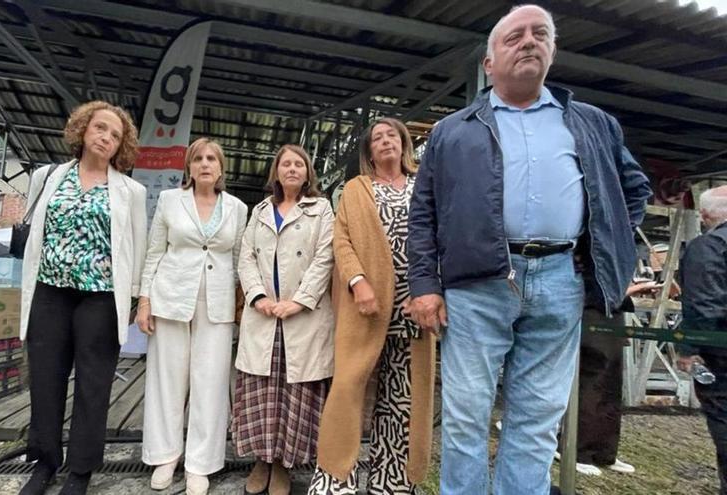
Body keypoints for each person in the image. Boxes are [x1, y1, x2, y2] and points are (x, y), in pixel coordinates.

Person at [407, 5, 652, 494]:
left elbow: (633, 190)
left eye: (540, 34)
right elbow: (424, 214)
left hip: (562, 278)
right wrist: (424, 287)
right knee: (465, 414)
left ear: (553, 51)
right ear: (489, 63)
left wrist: (608, 256)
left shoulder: (593, 123)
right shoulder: (452, 131)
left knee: (537, 416)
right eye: (514, 36)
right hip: (477, 285)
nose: (529, 41)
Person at [18, 101, 147, 495]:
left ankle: (81, 470)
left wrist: (135, 298)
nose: (106, 138)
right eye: (100, 128)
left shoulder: (131, 191)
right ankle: (44, 462)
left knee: (94, 383)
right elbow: (33, 231)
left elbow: (138, 248)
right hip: (50, 291)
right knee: (46, 378)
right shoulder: (47, 177)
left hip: (101, 297)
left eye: (115, 135)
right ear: (83, 129)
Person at [309, 118, 436, 494]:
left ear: (403, 144)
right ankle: (334, 482)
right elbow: (342, 239)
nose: (385, 142)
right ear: (368, 151)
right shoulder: (356, 188)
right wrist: (357, 281)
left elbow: (438, 238)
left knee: (403, 400)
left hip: (414, 310)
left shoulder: (424, 188)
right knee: (348, 391)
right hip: (367, 306)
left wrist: (430, 289)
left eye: (391, 136)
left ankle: (392, 483)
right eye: (377, 138)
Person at [138, 138, 248, 495]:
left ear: (221, 168)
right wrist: (144, 300)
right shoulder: (171, 201)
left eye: (211, 158)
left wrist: (239, 301)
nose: (205, 163)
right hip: (170, 295)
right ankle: (165, 455)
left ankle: (200, 462)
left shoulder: (236, 208)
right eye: (198, 158)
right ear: (189, 167)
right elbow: (154, 252)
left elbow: (240, 258)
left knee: (211, 380)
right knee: (167, 377)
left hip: (216, 303)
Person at [232, 144, 335, 495]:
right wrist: (258, 296)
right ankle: (262, 460)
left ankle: (284, 465)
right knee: (261, 391)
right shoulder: (260, 210)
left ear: (308, 172)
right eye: (285, 164)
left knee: (294, 392)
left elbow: (326, 258)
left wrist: (300, 301)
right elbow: (245, 257)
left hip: (301, 317)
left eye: (298, 164)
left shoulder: (321, 209)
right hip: (263, 316)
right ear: (275, 172)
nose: (291, 169)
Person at [562, 278, 659, 476]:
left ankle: (604, 452)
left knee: (611, 384)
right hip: (592, 309)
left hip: (613, 309)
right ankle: (579, 451)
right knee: (592, 381)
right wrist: (631, 288)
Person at [676, 185, 727, 495]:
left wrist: (690, 348)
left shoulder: (708, 247)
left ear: (706, 216)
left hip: (720, 351)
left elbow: (703, 303)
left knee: (723, 417)